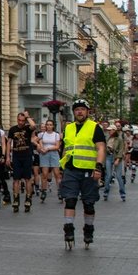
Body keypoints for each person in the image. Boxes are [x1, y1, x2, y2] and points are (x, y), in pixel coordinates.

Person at [58, 99, 106, 249]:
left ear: (87, 112)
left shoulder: (94, 127)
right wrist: (61, 168)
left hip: (89, 171)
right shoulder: (68, 128)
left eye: (82, 109)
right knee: (70, 200)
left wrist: (98, 167)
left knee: (88, 204)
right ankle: (68, 230)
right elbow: (65, 148)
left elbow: (101, 148)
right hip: (71, 170)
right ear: (74, 112)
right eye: (77, 109)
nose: (79, 112)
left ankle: (88, 230)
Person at [7, 111, 36, 211]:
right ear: (17, 119)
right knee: (16, 179)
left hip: (27, 156)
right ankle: (16, 199)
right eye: (19, 120)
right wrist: (7, 157)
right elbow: (9, 143)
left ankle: (28, 199)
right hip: (16, 156)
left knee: (28, 178)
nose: (21, 122)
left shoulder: (27, 128)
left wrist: (27, 117)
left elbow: (33, 126)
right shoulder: (12, 129)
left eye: (23, 120)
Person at [36, 118, 62, 200]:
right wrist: (40, 148)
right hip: (44, 154)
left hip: (54, 153)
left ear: (53, 126)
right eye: (47, 125)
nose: (49, 126)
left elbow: (57, 146)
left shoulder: (56, 135)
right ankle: (44, 191)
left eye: (50, 125)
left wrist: (48, 148)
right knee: (44, 174)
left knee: (57, 174)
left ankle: (60, 191)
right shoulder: (41, 134)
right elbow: (36, 141)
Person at [103, 123, 126, 201]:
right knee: (108, 175)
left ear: (114, 130)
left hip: (116, 157)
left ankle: (122, 194)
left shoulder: (119, 139)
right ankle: (106, 192)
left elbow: (121, 150)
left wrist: (118, 159)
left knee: (119, 176)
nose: (109, 131)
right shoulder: (107, 138)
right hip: (108, 157)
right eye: (108, 130)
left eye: (110, 130)